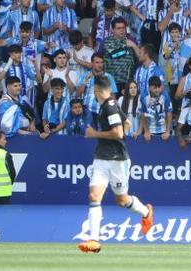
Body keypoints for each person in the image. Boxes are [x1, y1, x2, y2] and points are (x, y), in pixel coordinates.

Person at [77, 76, 155, 253]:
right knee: (94, 195)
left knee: (121, 200)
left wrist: (94, 133)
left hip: (118, 160)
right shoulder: (110, 105)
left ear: (96, 91)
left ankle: (146, 212)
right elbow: (126, 123)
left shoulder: (110, 106)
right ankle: (94, 240)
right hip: (101, 158)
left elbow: (118, 133)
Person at [0, 126, 14, 204]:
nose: (6, 141)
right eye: (4, 139)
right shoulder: (5, 154)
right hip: (4, 193)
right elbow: (12, 173)